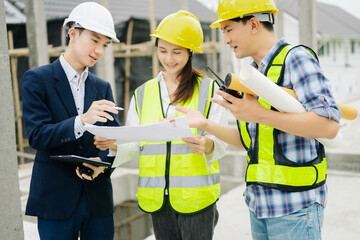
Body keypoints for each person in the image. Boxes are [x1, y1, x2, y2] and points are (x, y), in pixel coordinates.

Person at [176, 0, 341, 239]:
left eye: (229, 29)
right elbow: (250, 141)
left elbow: (329, 126)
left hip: (295, 208)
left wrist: (260, 114)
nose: (226, 40)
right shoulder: (253, 74)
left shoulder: (296, 59)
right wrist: (205, 123)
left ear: (253, 24)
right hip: (260, 206)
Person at [94, 10, 228, 240]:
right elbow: (136, 143)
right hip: (157, 200)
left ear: (190, 52)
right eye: (162, 50)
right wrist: (114, 145)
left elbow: (221, 143)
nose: (168, 59)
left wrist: (206, 144)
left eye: (176, 52)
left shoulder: (210, 90)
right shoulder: (143, 93)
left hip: (196, 200)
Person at [22, 2, 120, 239]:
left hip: (97, 198)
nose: (99, 50)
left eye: (105, 45)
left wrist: (102, 160)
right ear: (73, 34)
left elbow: (115, 139)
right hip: (55, 199)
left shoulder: (102, 87)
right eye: (94, 40)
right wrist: (82, 121)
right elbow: (37, 135)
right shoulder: (37, 79)